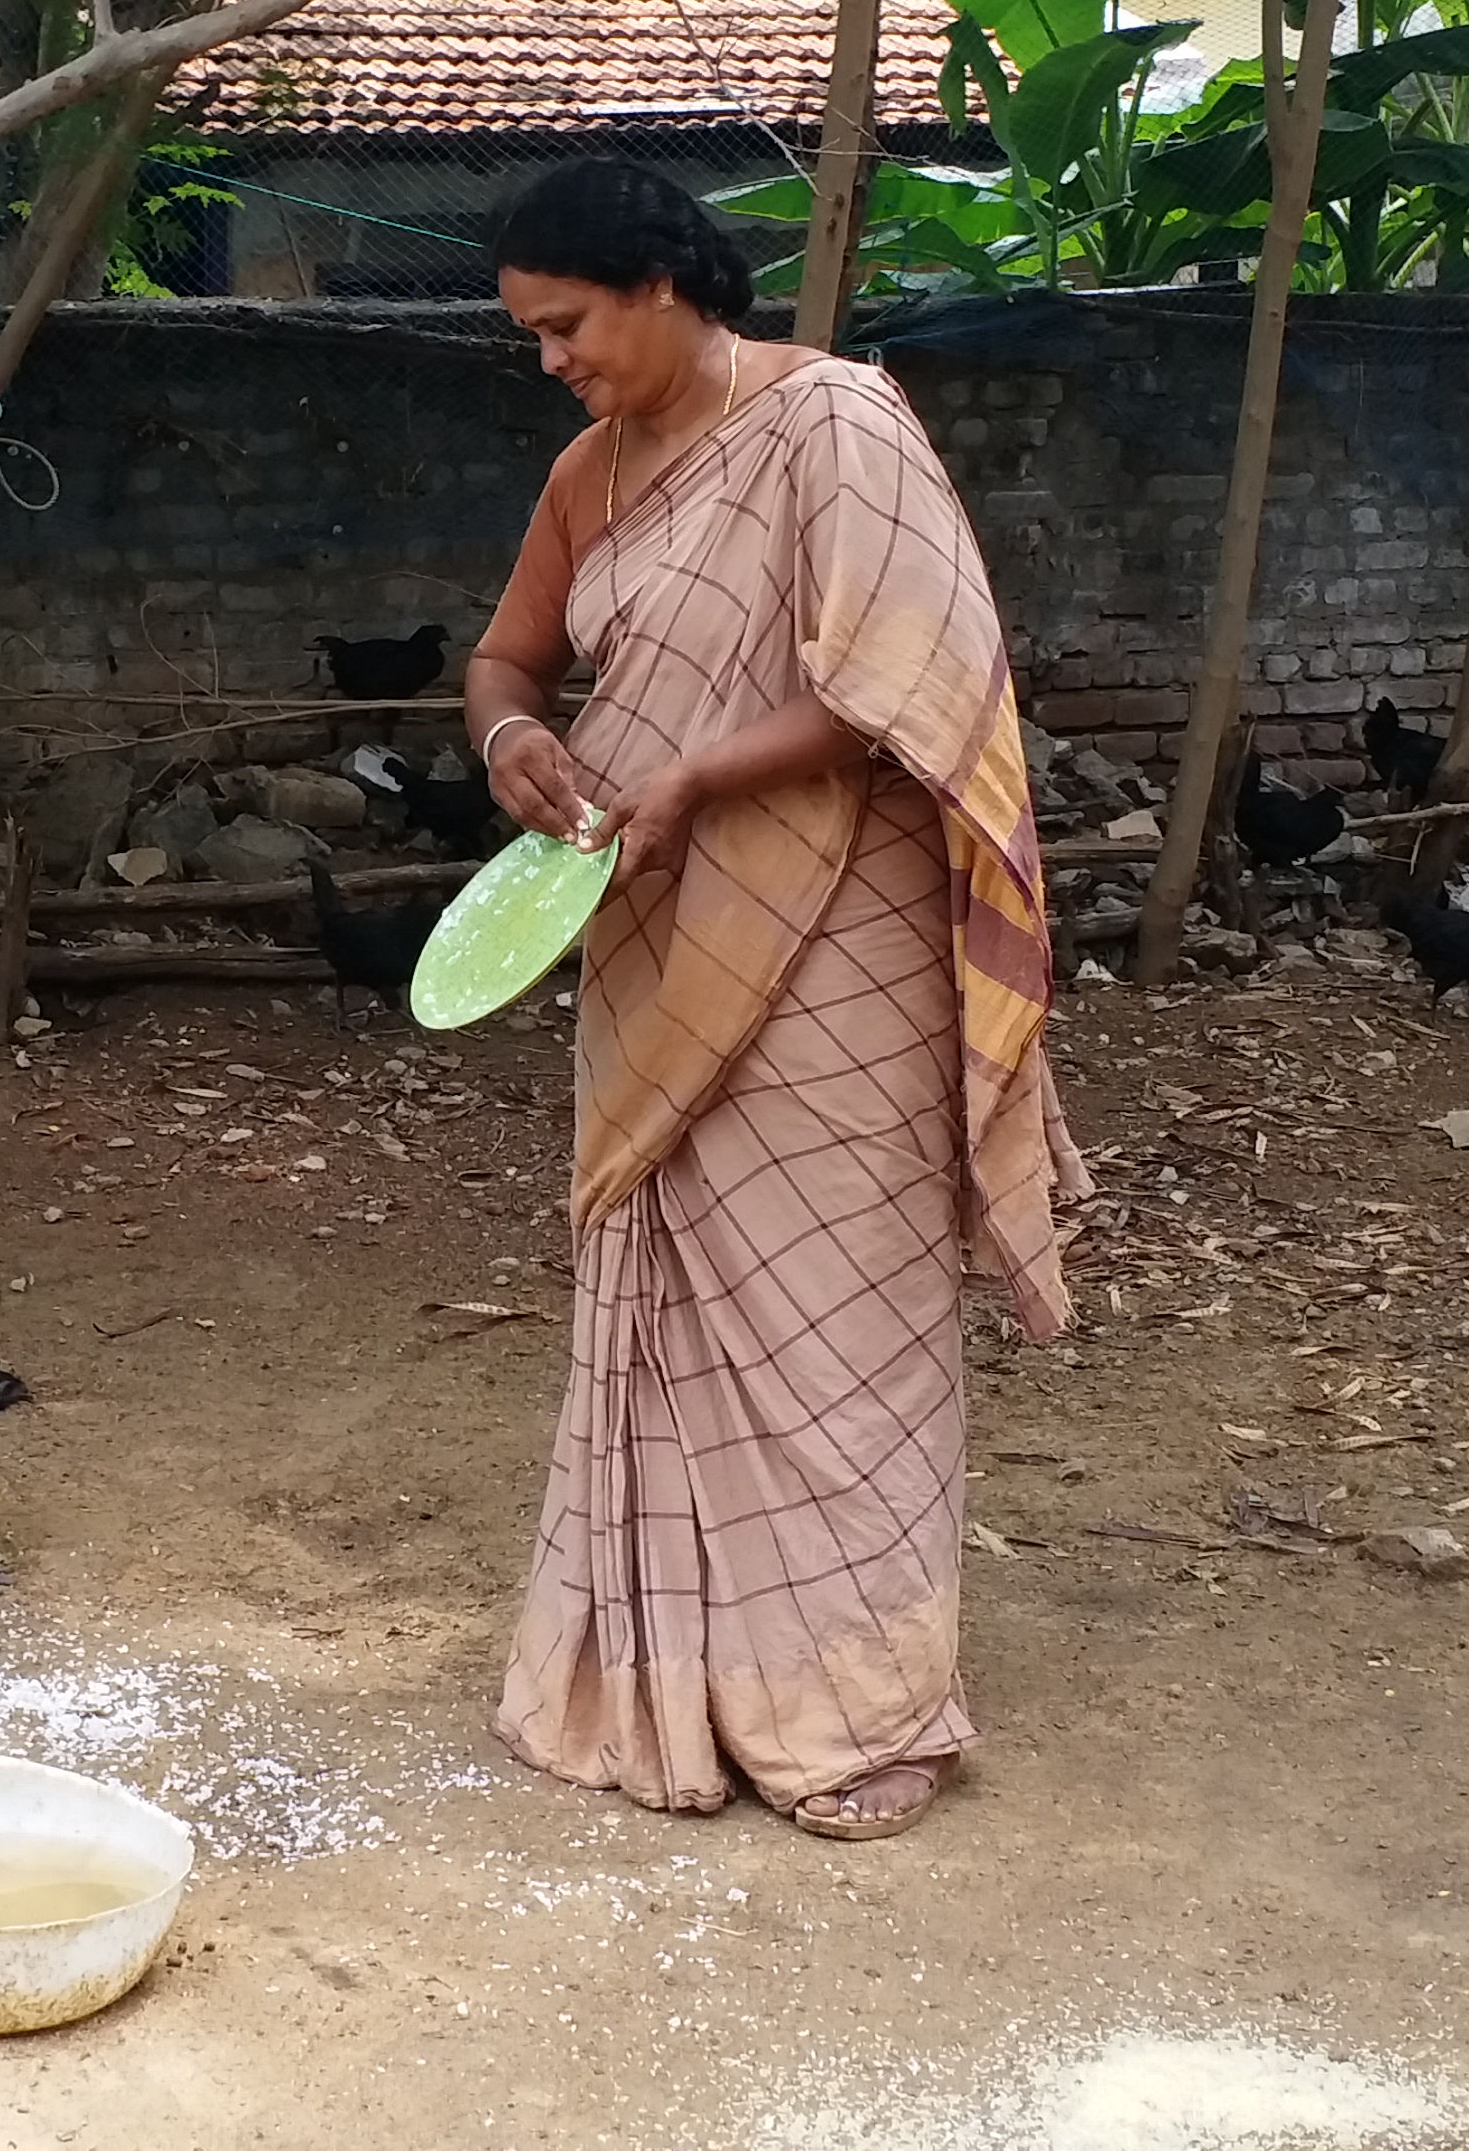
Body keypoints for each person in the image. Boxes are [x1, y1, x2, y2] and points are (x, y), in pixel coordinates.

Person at [462, 158, 1082, 1842]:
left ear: (662, 284)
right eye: (530, 336)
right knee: (668, 1290)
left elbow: (914, 680)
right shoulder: (591, 473)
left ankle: (857, 1714)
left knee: (839, 1324)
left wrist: (695, 778)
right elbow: (506, 659)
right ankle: (667, 1688)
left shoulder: (838, 425)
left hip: (836, 942)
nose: (551, 361)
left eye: (566, 326)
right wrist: (518, 738)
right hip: (650, 935)